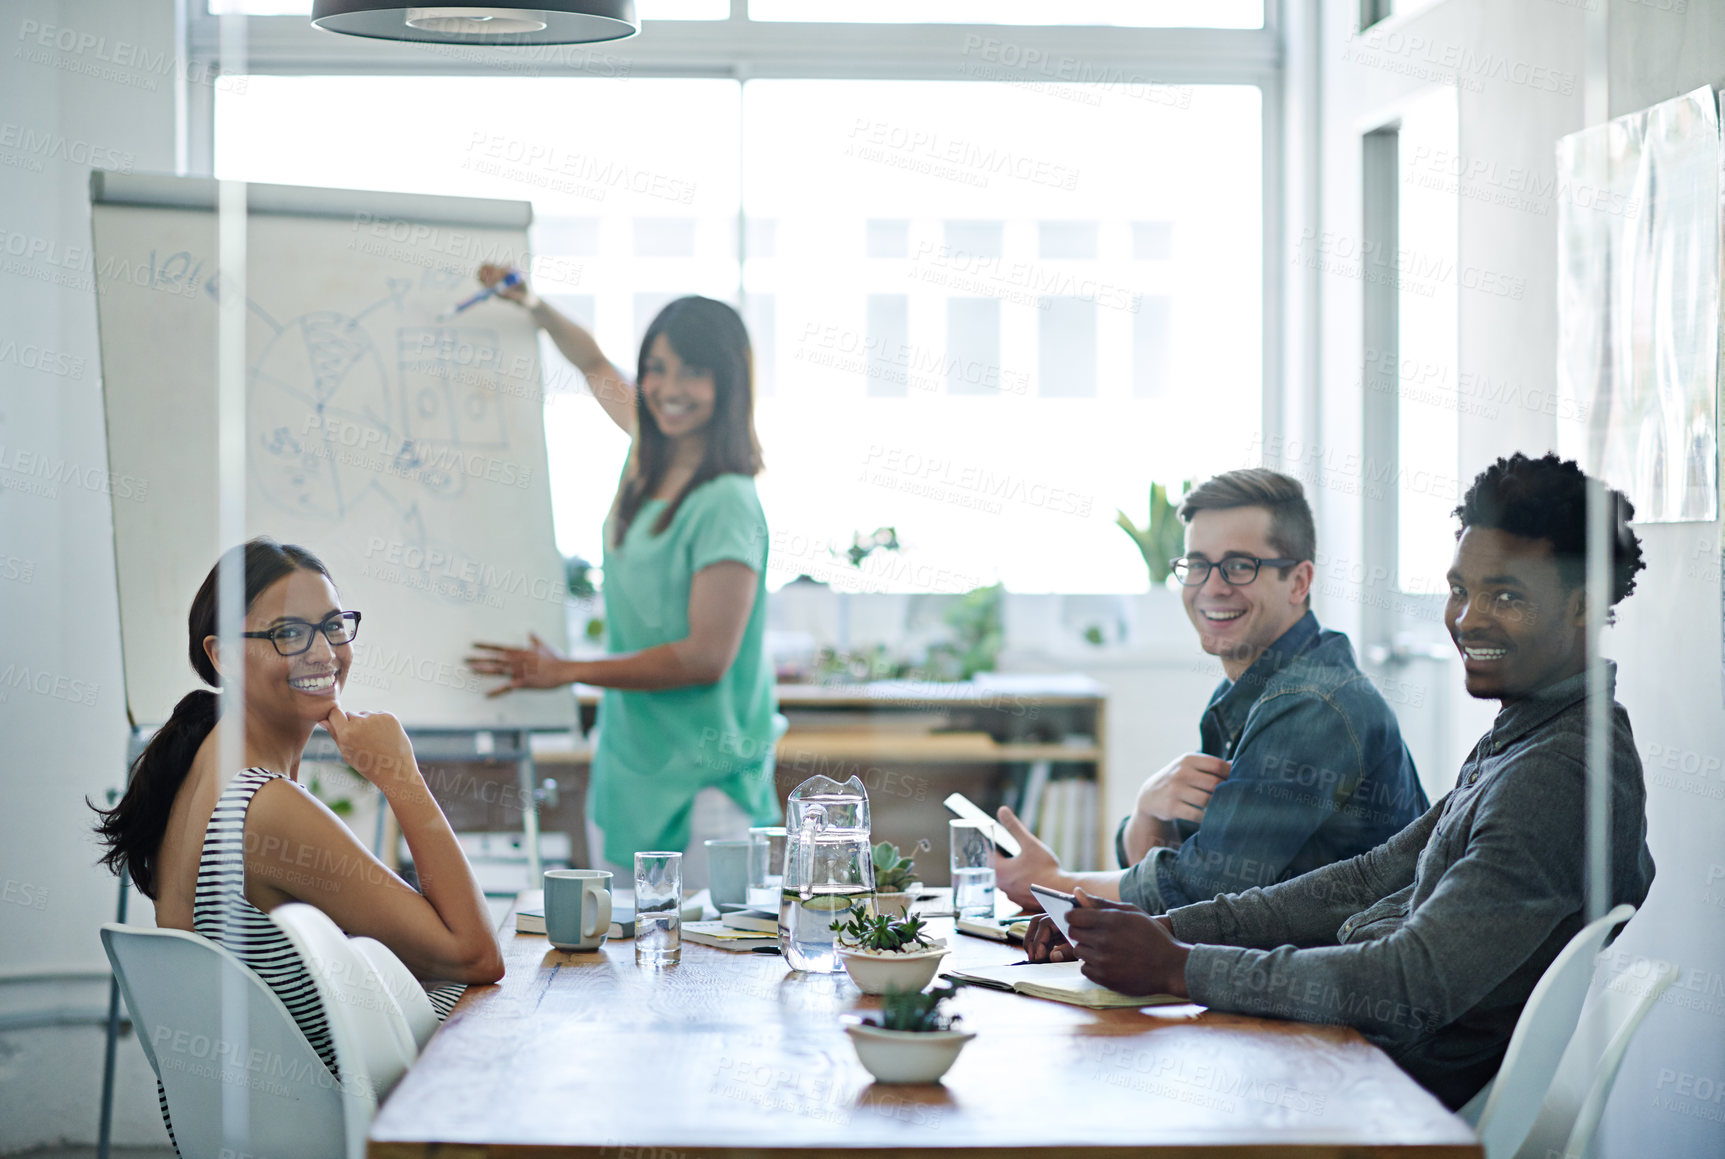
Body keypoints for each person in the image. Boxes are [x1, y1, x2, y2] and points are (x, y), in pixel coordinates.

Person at [1027, 452, 1656, 1110]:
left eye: (1506, 596)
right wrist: (1157, 924)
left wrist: (1176, 964)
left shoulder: (1556, 772)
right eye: (1459, 590)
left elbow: (1409, 978)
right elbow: (1362, 879)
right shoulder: (1526, 734)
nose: (1467, 620)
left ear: (1580, 606)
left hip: (1378, 1095)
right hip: (1352, 1057)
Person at [92, 538, 504, 1151]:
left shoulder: (204, 757)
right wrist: (402, 777)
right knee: (505, 1018)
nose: (323, 653)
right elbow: (475, 955)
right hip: (329, 1122)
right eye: (288, 632)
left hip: (267, 1120)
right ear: (223, 655)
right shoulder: (266, 809)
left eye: (334, 626)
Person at [465, 267, 780, 887]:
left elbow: (705, 659)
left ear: (729, 381)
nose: (669, 388)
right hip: (630, 771)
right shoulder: (649, 444)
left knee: (714, 975)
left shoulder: (728, 501)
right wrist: (532, 302)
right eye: (658, 367)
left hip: (707, 789)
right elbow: (592, 363)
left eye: (694, 371)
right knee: (631, 971)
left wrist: (569, 671)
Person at [994, 468, 1428, 913]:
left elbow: (1203, 894)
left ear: (1299, 581)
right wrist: (1148, 810)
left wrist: (1051, 884)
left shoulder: (1311, 703)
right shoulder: (1254, 686)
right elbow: (1176, 878)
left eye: (1240, 566)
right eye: (1197, 564)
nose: (1212, 587)